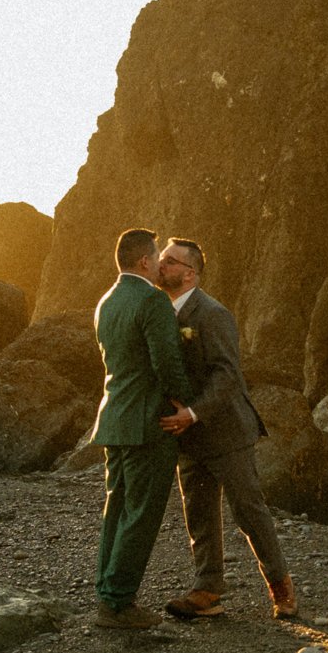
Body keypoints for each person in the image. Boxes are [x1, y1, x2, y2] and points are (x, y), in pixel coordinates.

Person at [154, 237, 297, 619]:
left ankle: (281, 589)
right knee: (198, 512)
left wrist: (193, 413)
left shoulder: (212, 313)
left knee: (248, 511)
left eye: (169, 261)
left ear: (190, 273)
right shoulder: (161, 312)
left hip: (226, 430)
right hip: (188, 435)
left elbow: (227, 374)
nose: (160, 264)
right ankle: (207, 590)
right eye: (161, 259)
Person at [90, 226, 194, 629]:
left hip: (113, 420)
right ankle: (118, 604)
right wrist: (187, 404)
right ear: (145, 262)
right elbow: (165, 362)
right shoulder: (152, 301)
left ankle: (108, 594)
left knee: (115, 510)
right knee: (141, 515)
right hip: (148, 424)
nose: (159, 264)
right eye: (156, 256)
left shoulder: (107, 301)